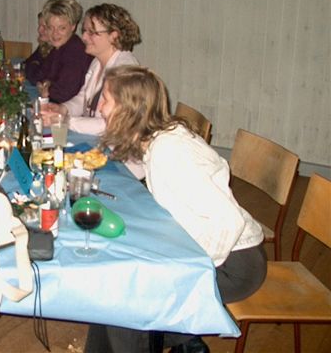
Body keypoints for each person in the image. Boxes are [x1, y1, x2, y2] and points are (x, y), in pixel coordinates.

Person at [85, 65, 267, 353]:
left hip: (233, 265)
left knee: (126, 301)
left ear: (128, 110)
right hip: (205, 248)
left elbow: (228, 221)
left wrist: (186, 274)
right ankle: (184, 340)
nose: (100, 107)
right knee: (118, 281)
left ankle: (182, 336)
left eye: (106, 99)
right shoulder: (158, 139)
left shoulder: (169, 151)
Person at [42, 3, 141, 135]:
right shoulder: (97, 61)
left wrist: (65, 121)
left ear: (114, 36)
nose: (84, 37)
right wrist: (63, 109)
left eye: (92, 32)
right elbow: (83, 98)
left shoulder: (125, 70)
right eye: (84, 31)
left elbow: (111, 124)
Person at [26, 0, 92, 103]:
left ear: (73, 26)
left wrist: (48, 88)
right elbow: (39, 76)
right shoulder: (57, 48)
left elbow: (64, 93)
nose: (55, 33)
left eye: (62, 28)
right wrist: (45, 84)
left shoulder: (75, 50)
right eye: (50, 28)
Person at [24, 11, 52, 81]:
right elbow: (24, 65)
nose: (39, 30)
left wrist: (33, 64)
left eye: (44, 27)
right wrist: (34, 64)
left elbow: (36, 77)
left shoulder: (58, 50)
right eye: (39, 25)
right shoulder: (44, 45)